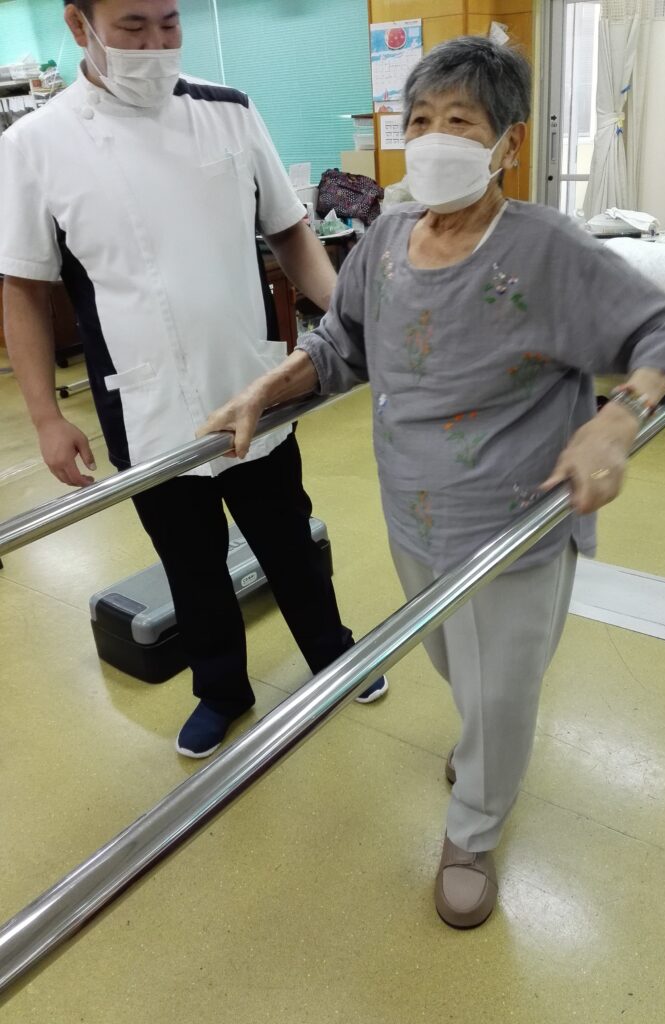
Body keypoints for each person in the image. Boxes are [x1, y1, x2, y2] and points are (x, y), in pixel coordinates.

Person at [200, 37, 665, 928]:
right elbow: (343, 343)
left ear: (508, 141)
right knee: (454, 667)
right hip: (415, 518)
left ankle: (474, 827)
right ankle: (483, 751)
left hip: (514, 527)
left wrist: (619, 416)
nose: (432, 139)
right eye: (419, 120)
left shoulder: (546, 248)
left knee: (500, 692)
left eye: (458, 121)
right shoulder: (388, 238)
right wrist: (265, 391)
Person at [0, 0, 388, 760]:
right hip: (143, 402)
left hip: (251, 382)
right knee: (189, 560)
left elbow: (290, 230)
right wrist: (45, 415)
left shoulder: (228, 111)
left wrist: (352, 322)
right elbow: (22, 288)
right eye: (132, 26)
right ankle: (221, 689)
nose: (155, 43)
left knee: (287, 534)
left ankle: (332, 652)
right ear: (79, 26)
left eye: (169, 23)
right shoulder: (34, 144)